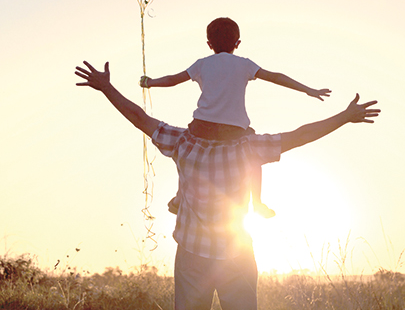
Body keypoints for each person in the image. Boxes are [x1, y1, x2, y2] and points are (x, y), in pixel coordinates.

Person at [75, 60, 379, 310]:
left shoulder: (183, 143)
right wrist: (344, 116)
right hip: (237, 253)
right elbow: (299, 135)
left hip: (193, 254)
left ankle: (178, 199)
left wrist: (106, 88)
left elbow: (139, 117)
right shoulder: (248, 149)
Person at [140, 17, 331, 218]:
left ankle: (180, 197)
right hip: (234, 132)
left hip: (201, 127)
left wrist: (150, 82)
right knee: (255, 156)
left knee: (186, 150)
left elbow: (172, 80)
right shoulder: (245, 64)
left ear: (209, 44)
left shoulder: (201, 64)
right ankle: (256, 202)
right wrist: (307, 90)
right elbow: (276, 76)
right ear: (238, 43)